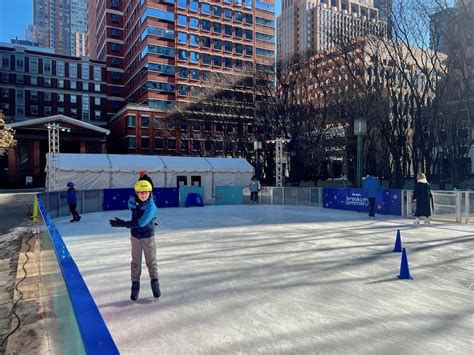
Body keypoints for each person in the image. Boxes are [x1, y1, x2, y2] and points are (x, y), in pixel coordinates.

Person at [109, 180, 160, 301]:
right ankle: (135, 285)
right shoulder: (133, 201)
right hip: (135, 236)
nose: (143, 195)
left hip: (148, 236)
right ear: (136, 193)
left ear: (150, 192)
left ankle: (155, 282)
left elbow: (141, 222)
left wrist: (123, 224)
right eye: (140, 192)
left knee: (151, 261)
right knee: (135, 262)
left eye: (146, 192)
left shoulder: (151, 206)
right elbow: (132, 206)